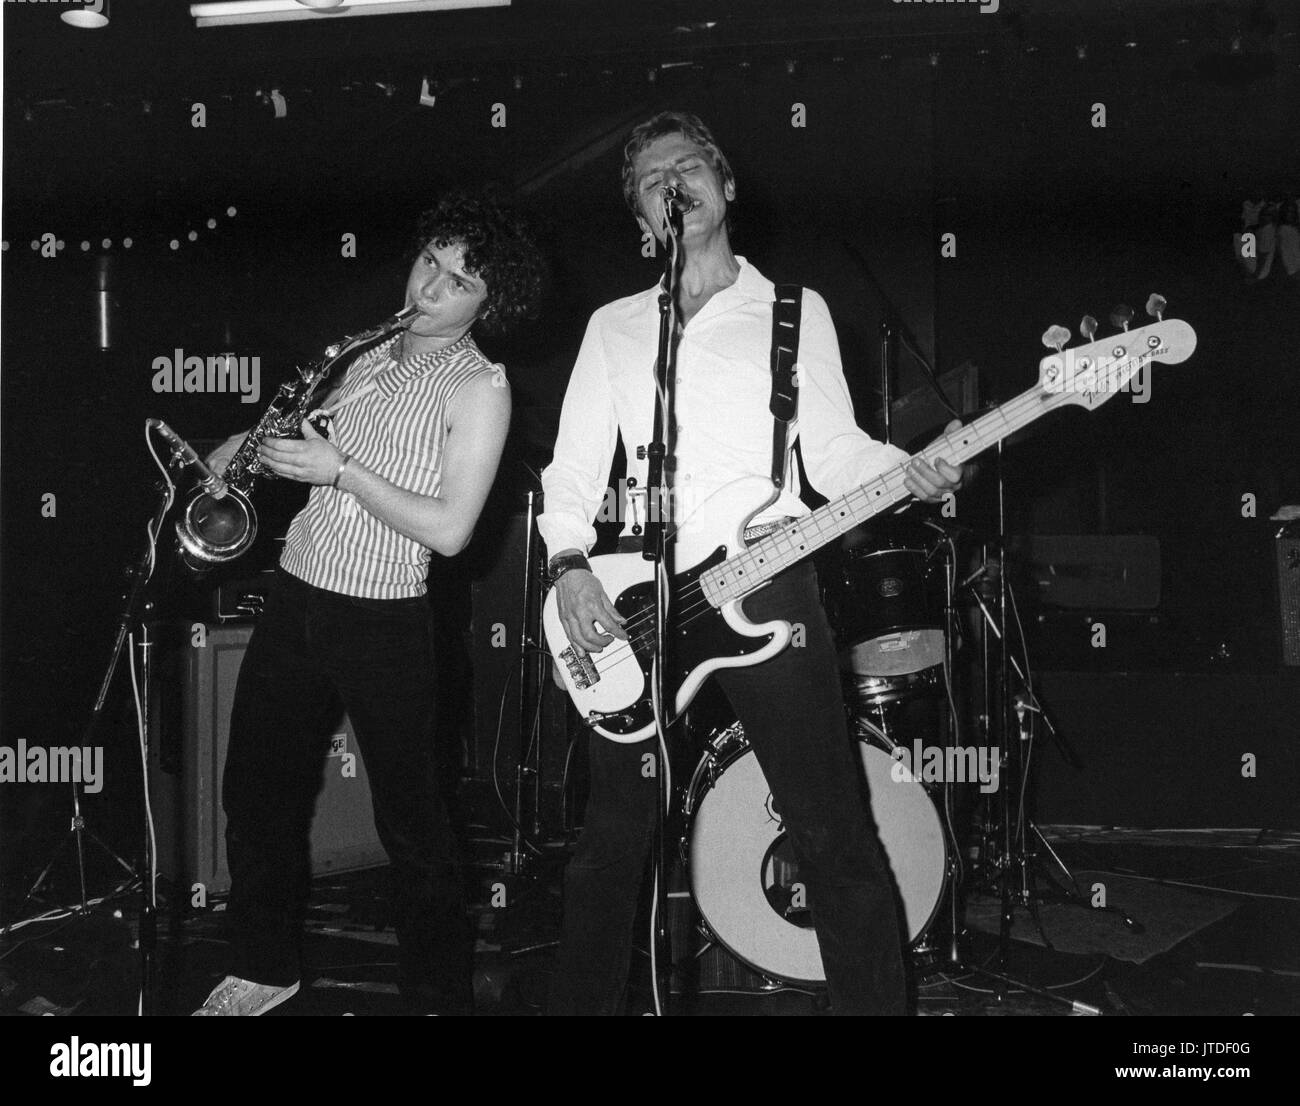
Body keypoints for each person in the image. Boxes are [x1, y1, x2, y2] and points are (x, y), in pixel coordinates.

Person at [538, 112, 964, 1015]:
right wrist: (570, 563)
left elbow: (838, 452)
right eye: (653, 177)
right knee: (611, 842)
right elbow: (572, 469)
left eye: (687, 166)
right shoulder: (614, 329)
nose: (672, 182)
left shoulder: (791, 311)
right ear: (641, 217)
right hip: (640, 605)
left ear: (726, 187)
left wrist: (909, 471)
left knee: (831, 833)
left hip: (770, 585)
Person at [192, 192, 544, 1016]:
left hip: (384, 619)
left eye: (459, 282)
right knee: (255, 793)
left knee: (414, 827)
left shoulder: (480, 388)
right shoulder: (363, 354)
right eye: (431, 261)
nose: (429, 288)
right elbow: (302, 450)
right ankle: (264, 965)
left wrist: (340, 470)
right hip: (296, 597)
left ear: (490, 304)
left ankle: (436, 997)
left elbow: (453, 531)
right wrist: (241, 452)